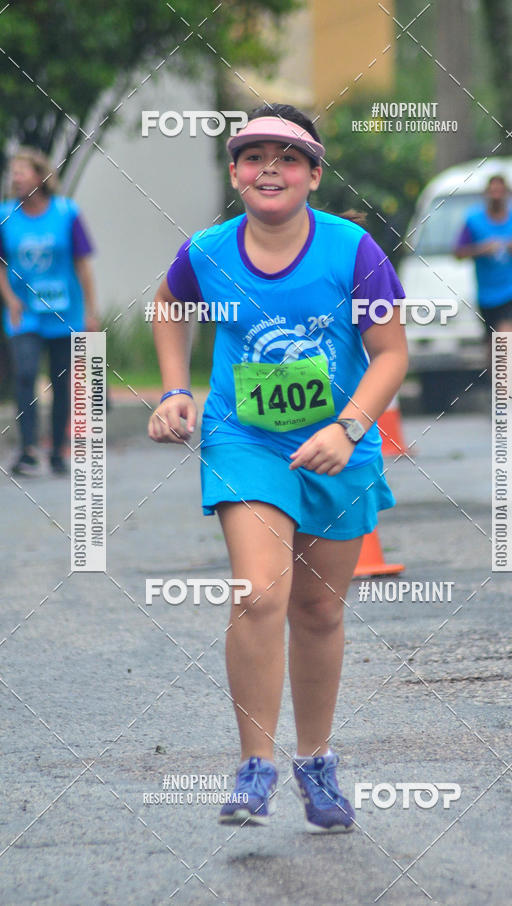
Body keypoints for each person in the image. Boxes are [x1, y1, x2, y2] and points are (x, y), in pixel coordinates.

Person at [148, 104, 408, 833]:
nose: (270, 168)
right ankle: (254, 765)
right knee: (260, 593)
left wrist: (349, 424)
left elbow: (391, 354)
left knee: (320, 608)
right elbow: (169, 306)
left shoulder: (354, 251)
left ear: (314, 175)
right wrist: (175, 389)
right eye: (253, 155)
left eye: (288, 157)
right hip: (246, 442)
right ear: (234, 173)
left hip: (339, 444)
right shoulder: (206, 251)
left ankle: (316, 762)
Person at [0, 147, 99, 476]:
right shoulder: (5, 215)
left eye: (22, 171)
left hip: (64, 312)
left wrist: (91, 311)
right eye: (12, 173)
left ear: (40, 177)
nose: (15, 178)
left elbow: (82, 265)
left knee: (62, 382)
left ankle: (57, 449)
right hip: (24, 312)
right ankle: (27, 449)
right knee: (25, 374)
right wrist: (10, 299)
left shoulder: (67, 213)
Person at [454, 174, 512, 362]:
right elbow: (458, 253)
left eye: (500, 191)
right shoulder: (473, 220)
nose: (496, 196)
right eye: (493, 191)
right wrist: (481, 249)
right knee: (492, 346)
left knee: (505, 338)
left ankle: (507, 388)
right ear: (486, 194)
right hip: (485, 293)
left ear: (508, 194)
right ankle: (497, 384)